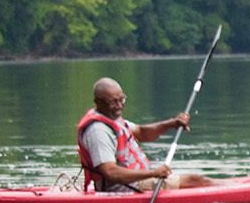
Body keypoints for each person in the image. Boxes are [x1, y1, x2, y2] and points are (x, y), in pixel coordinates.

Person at [76, 78, 227, 193]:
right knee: (196, 180)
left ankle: (235, 185)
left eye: (121, 99)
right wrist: (153, 173)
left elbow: (142, 133)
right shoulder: (98, 131)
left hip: (135, 181)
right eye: (113, 102)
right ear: (98, 103)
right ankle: (236, 190)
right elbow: (110, 172)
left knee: (197, 180)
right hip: (124, 188)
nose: (120, 105)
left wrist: (171, 124)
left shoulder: (111, 118)